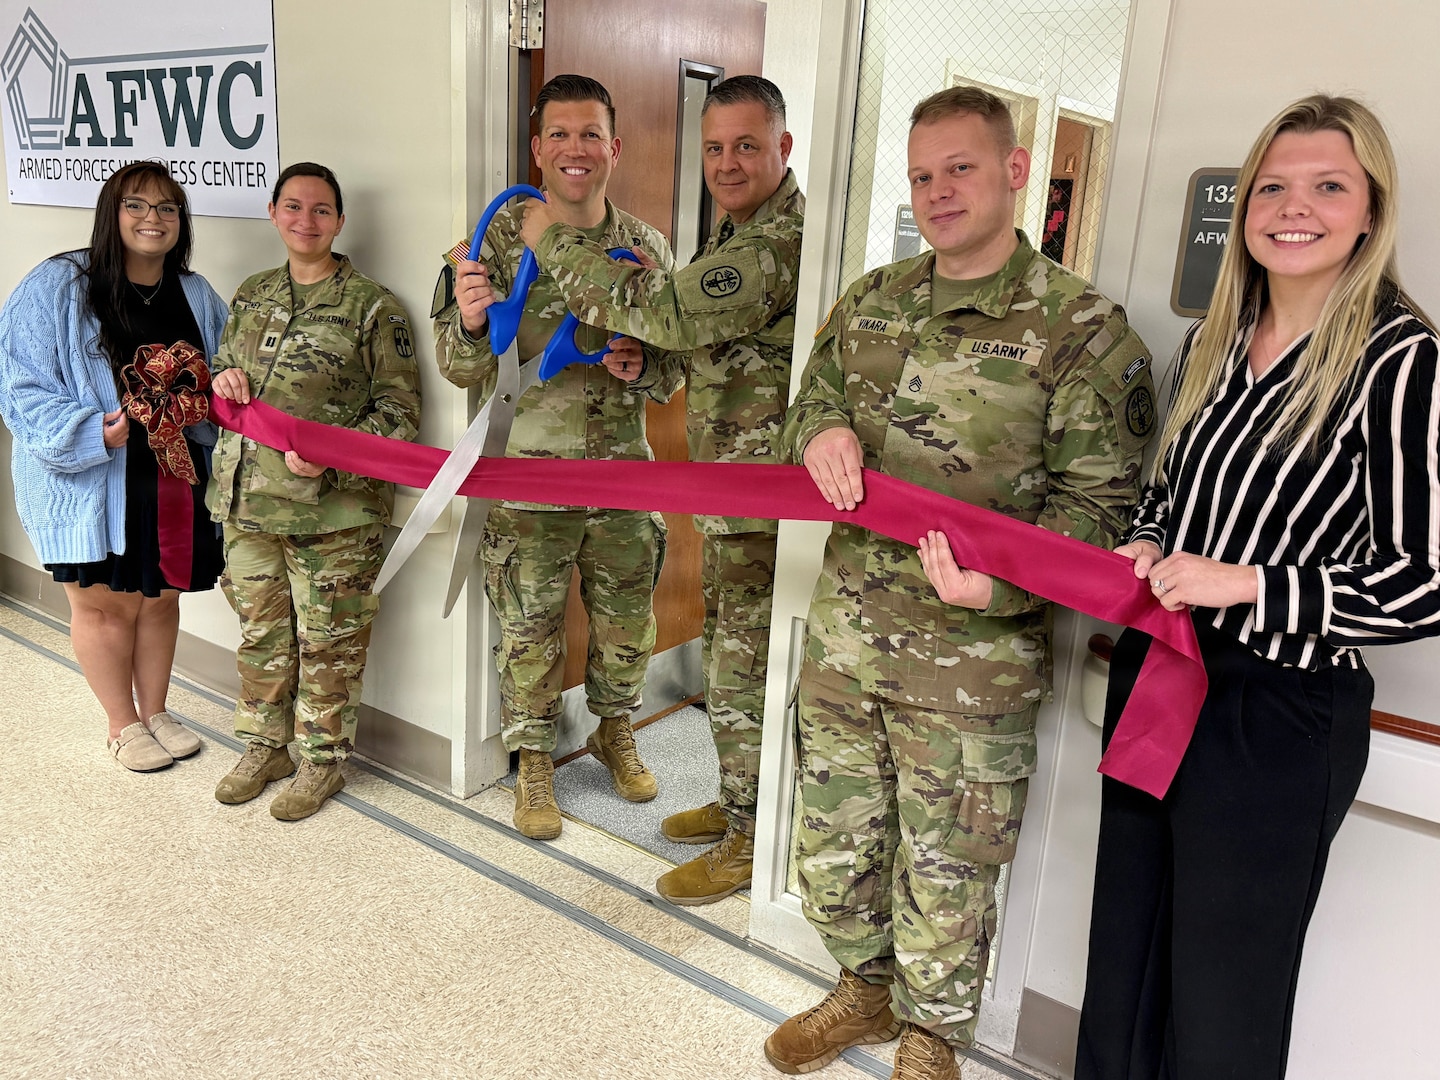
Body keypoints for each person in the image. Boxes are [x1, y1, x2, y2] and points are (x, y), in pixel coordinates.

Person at [765, 87, 1157, 1080]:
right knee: (836, 840)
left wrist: (1009, 590)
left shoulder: (1082, 331)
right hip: (848, 645)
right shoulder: (873, 300)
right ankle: (860, 991)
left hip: (972, 667)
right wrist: (822, 431)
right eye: (921, 175)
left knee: (950, 868)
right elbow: (803, 405)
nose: (938, 192)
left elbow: (1101, 516)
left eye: (961, 169)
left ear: (1016, 173)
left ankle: (933, 1037)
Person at [1075, 95, 1440, 1080]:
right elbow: (1164, 501)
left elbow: (1424, 585)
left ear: (1371, 211)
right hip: (1161, 670)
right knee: (1125, 957)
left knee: (1222, 996)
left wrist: (1246, 584)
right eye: (1272, 185)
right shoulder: (1214, 341)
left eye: (1328, 186)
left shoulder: (1400, 360)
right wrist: (1150, 553)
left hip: (1275, 713)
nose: (1293, 206)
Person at [522, 74, 804, 904]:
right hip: (729, 500)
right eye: (714, 147)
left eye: (746, 145)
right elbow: (697, 346)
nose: (726, 162)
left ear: (782, 148)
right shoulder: (733, 229)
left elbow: (667, 309)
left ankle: (753, 839)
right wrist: (652, 363)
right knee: (728, 659)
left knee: (748, 668)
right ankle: (740, 803)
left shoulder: (770, 244)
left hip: (765, 502)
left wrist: (549, 239)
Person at [432, 74, 682, 840]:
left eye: (591, 134)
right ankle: (535, 762)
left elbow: (676, 370)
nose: (577, 150)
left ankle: (614, 729)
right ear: (538, 148)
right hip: (526, 480)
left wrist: (648, 365)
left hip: (621, 480)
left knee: (625, 625)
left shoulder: (647, 248)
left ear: (615, 146)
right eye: (560, 135)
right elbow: (456, 366)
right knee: (529, 631)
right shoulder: (487, 246)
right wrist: (474, 325)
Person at [208, 162, 421, 821]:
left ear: (340, 222)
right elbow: (222, 373)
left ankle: (321, 762)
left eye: (321, 209)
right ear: (274, 213)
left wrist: (331, 460)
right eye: (293, 207)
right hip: (248, 502)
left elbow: (400, 413)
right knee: (262, 634)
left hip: (332, 512)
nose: (306, 220)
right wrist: (224, 383)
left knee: (330, 641)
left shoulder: (374, 307)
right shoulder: (250, 294)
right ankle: (265, 745)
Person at [0, 162, 227, 772]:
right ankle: (121, 723)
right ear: (111, 213)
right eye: (137, 206)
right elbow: (20, 385)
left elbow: (222, 377)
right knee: (101, 605)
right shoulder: (59, 285)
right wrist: (91, 430)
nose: (153, 219)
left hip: (174, 476)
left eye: (168, 209)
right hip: (94, 477)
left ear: (181, 222)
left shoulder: (197, 294)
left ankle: (155, 709)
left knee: (159, 598)